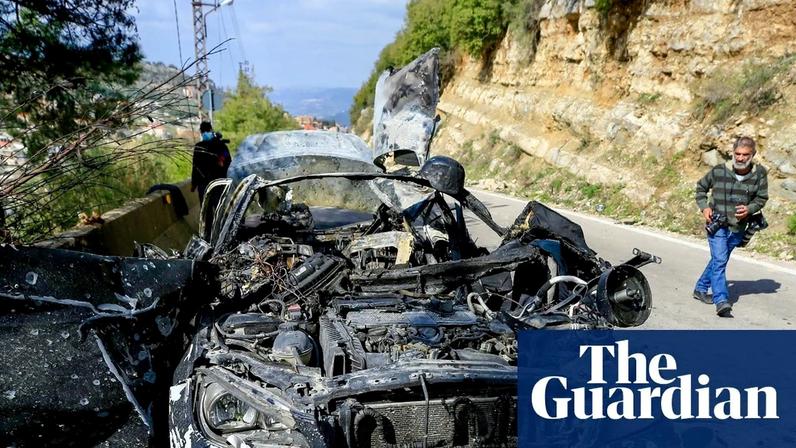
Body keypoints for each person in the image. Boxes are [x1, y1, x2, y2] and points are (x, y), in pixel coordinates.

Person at [693, 136, 768, 317]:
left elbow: (761, 198)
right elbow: (700, 189)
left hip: (739, 227)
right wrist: (704, 208)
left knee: (720, 259)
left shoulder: (759, 174)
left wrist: (749, 209)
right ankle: (721, 300)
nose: (741, 158)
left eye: (745, 155)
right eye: (737, 154)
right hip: (716, 224)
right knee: (719, 261)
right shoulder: (719, 171)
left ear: (753, 155)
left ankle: (700, 288)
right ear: (732, 153)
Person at [191, 121, 231, 202]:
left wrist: (194, 184)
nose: (205, 133)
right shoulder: (220, 145)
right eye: (204, 131)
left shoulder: (200, 146)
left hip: (209, 183)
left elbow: (195, 166)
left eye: (206, 131)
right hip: (217, 182)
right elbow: (228, 161)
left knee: (208, 210)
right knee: (218, 208)